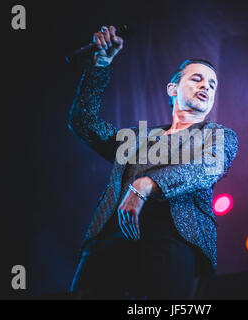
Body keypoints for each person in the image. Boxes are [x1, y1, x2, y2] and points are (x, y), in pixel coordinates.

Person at [68, 25, 238, 299]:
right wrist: (100, 64)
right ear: (172, 88)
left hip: (174, 238)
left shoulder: (218, 135)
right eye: (196, 79)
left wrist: (146, 185)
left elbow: (207, 168)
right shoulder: (135, 138)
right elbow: (83, 122)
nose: (205, 85)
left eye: (212, 84)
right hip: (111, 238)